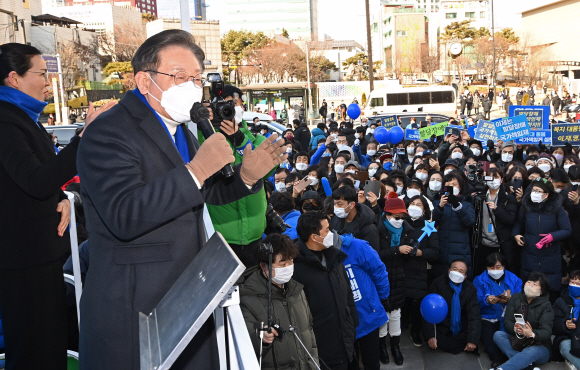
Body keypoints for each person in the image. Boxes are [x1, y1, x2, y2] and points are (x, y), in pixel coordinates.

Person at [76, 30, 287, 369]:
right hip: (137, 304)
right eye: (179, 77)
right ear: (145, 81)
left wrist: (246, 177)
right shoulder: (109, 130)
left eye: (196, 79)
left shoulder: (182, 130)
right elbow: (124, 214)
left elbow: (199, 194)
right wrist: (196, 169)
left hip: (187, 296)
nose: (191, 87)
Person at [0, 43, 115, 370]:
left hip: (40, 252)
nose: (48, 81)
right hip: (23, 259)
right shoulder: (6, 121)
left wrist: (62, 200)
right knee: (34, 350)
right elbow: (35, 180)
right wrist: (84, 136)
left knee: (49, 345)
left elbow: (30, 184)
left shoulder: (23, 116)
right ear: (14, 78)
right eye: (41, 73)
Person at [199, 85, 274, 267]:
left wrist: (240, 139)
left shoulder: (254, 139)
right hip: (219, 241)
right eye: (222, 107)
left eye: (234, 103)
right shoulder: (201, 138)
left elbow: (268, 168)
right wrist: (203, 125)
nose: (228, 109)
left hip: (255, 239)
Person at [238, 233, 319, 370]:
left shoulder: (297, 290)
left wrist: (314, 362)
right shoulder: (247, 298)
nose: (288, 267)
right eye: (283, 264)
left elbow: (309, 330)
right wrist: (261, 337)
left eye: (291, 262)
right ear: (264, 267)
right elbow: (244, 340)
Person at [294, 211, 359, 370]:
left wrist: (352, 321)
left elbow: (348, 292)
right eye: (327, 230)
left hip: (345, 342)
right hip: (322, 350)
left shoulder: (334, 257)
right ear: (314, 237)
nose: (332, 233)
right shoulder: (296, 268)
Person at [512, 178, 572, 302]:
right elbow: (518, 224)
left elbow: (567, 229)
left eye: (539, 191)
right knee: (529, 292)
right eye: (534, 190)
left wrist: (552, 236)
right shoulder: (526, 206)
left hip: (550, 255)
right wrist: (516, 235)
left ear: (547, 194)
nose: (535, 193)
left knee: (548, 294)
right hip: (530, 253)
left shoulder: (557, 209)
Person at [338, 233, 390, 370]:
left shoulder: (357, 246)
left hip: (367, 313)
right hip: (344, 320)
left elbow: (379, 272)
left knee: (371, 360)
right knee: (350, 362)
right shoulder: (321, 254)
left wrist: (383, 297)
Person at [493, 272, 554, 370]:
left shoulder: (546, 305)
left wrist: (531, 334)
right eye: (528, 282)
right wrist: (516, 328)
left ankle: (502, 369)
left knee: (531, 351)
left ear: (541, 291)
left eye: (535, 284)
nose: (530, 286)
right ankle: (528, 367)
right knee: (498, 335)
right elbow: (507, 321)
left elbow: (546, 332)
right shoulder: (516, 298)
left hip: (539, 346)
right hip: (519, 341)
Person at [473, 253, 523, 368]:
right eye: (491, 267)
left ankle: (515, 359)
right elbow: (475, 302)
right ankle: (499, 359)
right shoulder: (479, 280)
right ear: (486, 267)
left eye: (498, 267)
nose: (495, 270)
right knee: (491, 347)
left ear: (504, 266)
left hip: (509, 316)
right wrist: (487, 301)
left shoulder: (514, 279)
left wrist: (511, 300)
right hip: (488, 317)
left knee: (512, 340)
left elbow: (521, 298)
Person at [402, 195, 439, 347]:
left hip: (419, 271)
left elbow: (435, 251)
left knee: (417, 303)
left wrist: (420, 253)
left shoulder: (429, 227)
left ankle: (415, 332)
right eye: (412, 203)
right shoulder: (401, 223)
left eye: (419, 204)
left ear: (424, 210)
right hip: (401, 268)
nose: (415, 206)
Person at [423, 259, 481, 355]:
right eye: (454, 269)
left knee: (468, 338)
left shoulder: (470, 289)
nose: (457, 272)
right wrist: (431, 336)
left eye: (461, 271)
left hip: (461, 326)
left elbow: (474, 315)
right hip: (441, 326)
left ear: (465, 276)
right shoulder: (438, 283)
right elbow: (428, 310)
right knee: (439, 340)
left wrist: (472, 340)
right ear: (449, 270)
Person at [432, 171, 476, 278]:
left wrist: (457, 206)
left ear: (460, 187)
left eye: (454, 184)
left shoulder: (466, 204)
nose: (451, 186)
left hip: (460, 251)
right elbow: (432, 223)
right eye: (448, 184)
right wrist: (440, 207)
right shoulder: (437, 202)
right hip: (441, 250)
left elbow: (469, 222)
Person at [331, 184, 380, 252]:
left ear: (351, 205)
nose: (336, 207)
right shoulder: (336, 219)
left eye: (339, 204)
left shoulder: (369, 228)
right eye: (334, 204)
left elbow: (371, 256)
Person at [553, 270, 580, 369]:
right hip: (567, 338)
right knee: (566, 348)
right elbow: (553, 324)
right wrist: (565, 324)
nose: (575, 285)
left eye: (578, 283)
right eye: (572, 282)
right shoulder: (560, 301)